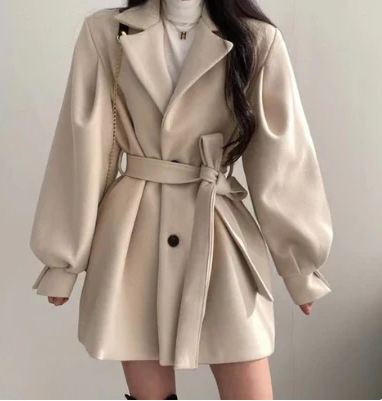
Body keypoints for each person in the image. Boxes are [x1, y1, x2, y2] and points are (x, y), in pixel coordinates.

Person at [29, 0, 334, 399]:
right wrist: (63, 260)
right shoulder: (106, 34)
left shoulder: (258, 40)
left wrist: (299, 265)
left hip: (219, 235)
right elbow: (83, 149)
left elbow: (282, 158)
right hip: (133, 241)